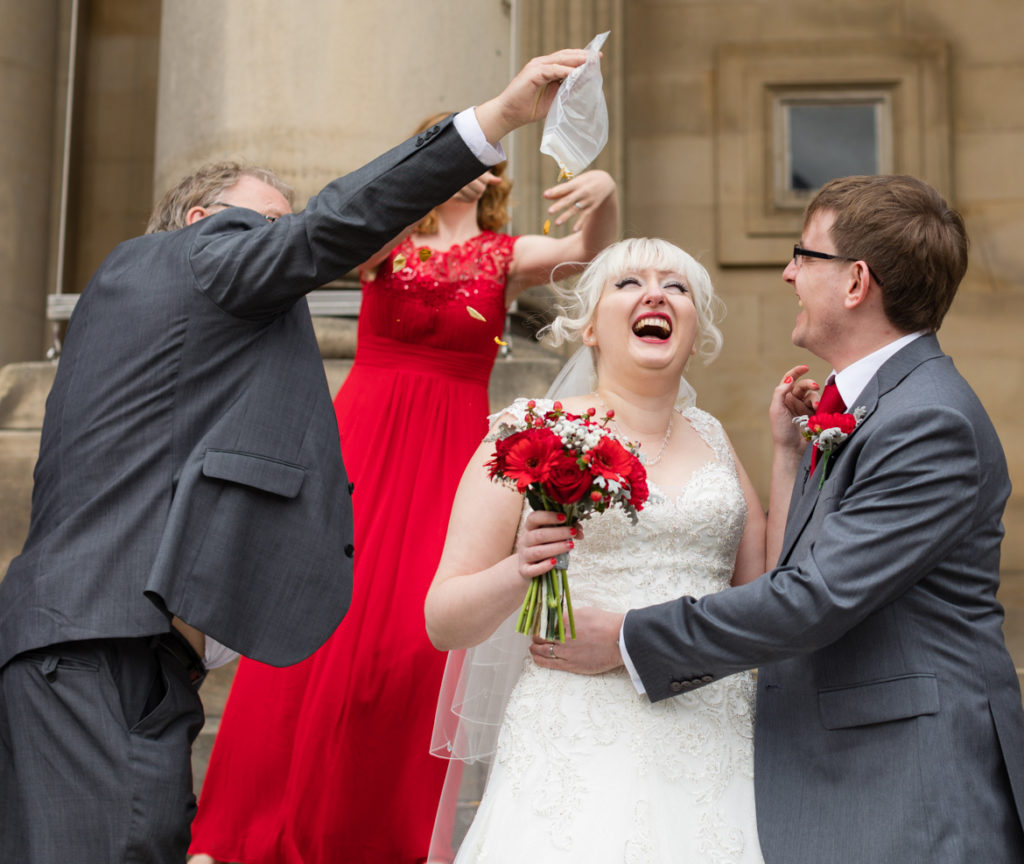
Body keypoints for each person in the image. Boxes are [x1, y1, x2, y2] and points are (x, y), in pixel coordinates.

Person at [0, 47, 595, 864]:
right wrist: (496, 120)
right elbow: (335, 225)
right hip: (102, 648)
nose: (285, 248)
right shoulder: (200, 262)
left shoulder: (137, 302)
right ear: (204, 224)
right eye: (266, 226)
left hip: (95, 642)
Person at [541, 176, 1024, 862]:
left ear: (856, 283)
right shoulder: (868, 405)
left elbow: (813, 598)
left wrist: (627, 637)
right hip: (843, 773)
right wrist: (790, 451)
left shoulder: (928, 421)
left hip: (909, 785)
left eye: (805, 254)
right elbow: (806, 566)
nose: (788, 272)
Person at [187, 110, 618, 864]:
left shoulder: (503, 253)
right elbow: (337, 227)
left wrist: (605, 190)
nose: (473, 164)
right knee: (318, 623)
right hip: (361, 437)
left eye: (481, 155)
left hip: (450, 452)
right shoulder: (384, 242)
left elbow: (588, 250)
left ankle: (382, 838)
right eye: (448, 150)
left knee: (413, 643)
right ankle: (248, 828)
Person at [423, 237, 784, 862]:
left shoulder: (713, 436)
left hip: (713, 732)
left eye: (676, 287)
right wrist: (521, 568)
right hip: (577, 736)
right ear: (588, 327)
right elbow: (443, 621)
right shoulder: (527, 431)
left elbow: (766, 592)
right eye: (628, 284)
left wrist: (787, 452)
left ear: (695, 330)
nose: (655, 294)